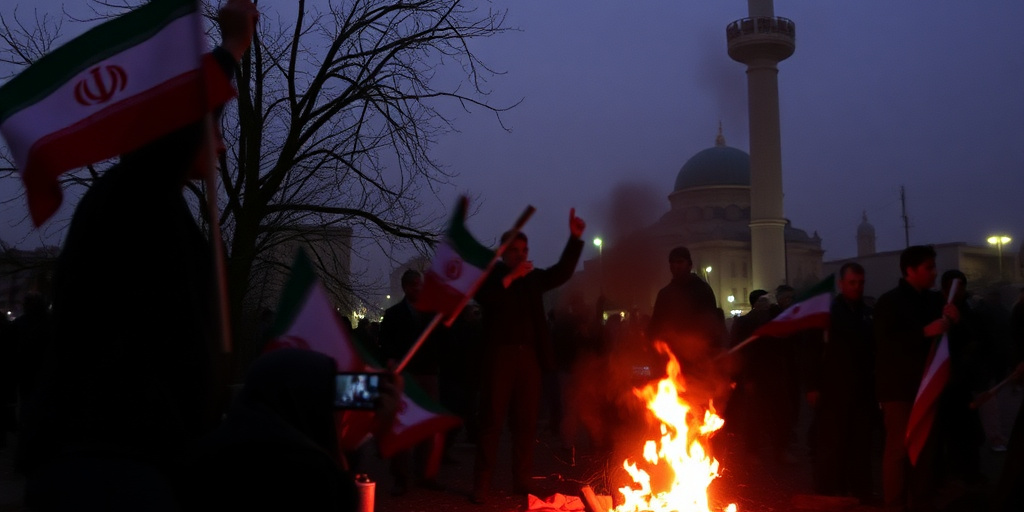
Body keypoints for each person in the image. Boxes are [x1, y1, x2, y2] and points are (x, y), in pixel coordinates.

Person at [16, 1, 259, 510]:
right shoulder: (137, 199)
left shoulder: (141, 202)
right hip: (114, 472)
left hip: (127, 459)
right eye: (211, 127)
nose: (219, 147)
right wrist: (232, 49)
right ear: (177, 132)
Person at [183, 348, 402, 511]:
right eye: (327, 390)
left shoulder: (202, 455)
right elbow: (343, 497)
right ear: (307, 400)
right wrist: (373, 429)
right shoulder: (311, 475)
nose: (336, 406)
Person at [471, 208, 585, 504]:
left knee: (526, 422)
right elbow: (485, 298)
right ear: (504, 252)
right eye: (515, 251)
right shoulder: (491, 278)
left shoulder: (532, 280)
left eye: (525, 250)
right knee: (492, 420)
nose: (522, 255)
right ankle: (481, 484)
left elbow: (561, 272)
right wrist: (508, 278)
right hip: (500, 357)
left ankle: (521, 480)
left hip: (530, 359)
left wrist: (574, 240)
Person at [873, 245, 959, 512]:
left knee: (926, 450)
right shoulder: (889, 302)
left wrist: (955, 322)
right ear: (910, 270)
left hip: (928, 387)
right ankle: (895, 504)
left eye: (934, 267)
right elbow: (885, 344)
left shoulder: (934, 302)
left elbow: (950, 343)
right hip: (899, 389)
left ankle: (922, 500)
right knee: (898, 450)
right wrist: (923, 332)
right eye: (928, 268)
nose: (934, 273)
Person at [807, 263, 877, 501]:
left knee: (860, 442)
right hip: (833, 389)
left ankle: (859, 488)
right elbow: (813, 352)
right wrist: (813, 386)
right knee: (831, 443)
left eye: (861, 283)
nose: (857, 287)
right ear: (841, 284)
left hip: (862, 388)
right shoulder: (829, 313)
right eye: (852, 283)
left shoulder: (867, 313)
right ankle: (828, 490)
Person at [379, 268, 447, 495]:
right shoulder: (393, 315)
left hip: (428, 373)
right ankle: (401, 476)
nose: (418, 288)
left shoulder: (432, 314)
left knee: (428, 424)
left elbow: (443, 341)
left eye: (420, 284)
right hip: (405, 376)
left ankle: (426, 474)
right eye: (414, 284)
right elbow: (384, 343)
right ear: (406, 288)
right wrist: (391, 360)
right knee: (403, 424)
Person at [646, 246, 728, 404]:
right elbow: (656, 324)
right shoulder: (665, 294)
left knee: (698, 398)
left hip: (699, 356)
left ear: (689, 265)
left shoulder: (702, 290)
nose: (676, 266)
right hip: (672, 356)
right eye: (672, 263)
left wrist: (712, 349)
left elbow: (711, 323)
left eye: (680, 262)